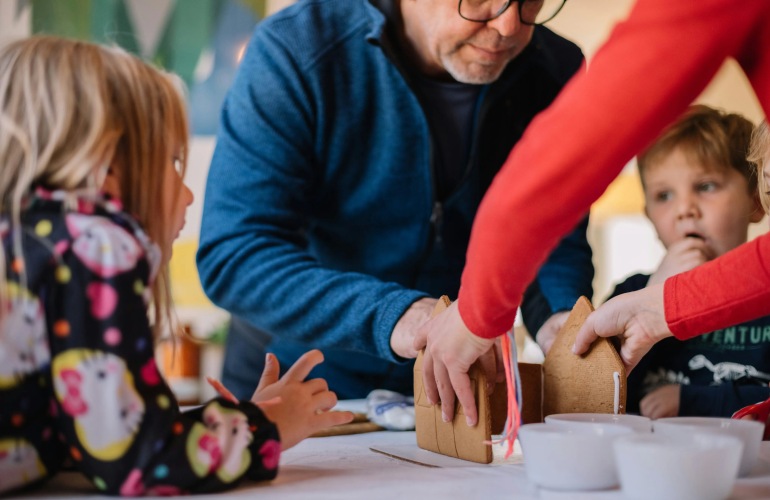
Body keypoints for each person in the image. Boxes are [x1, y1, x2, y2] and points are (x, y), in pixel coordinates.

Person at [0, 36, 352, 496]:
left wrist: (239, 422)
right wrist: (266, 427)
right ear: (103, 162)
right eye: (170, 161)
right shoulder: (94, 248)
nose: (187, 195)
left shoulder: (23, 242)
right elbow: (141, 461)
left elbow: (87, 436)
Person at [196, 0, 595, 401]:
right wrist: (399, 315)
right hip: (296, 388)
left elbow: (552, 234)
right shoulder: (295, 51)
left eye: (531, 1)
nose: (509, 26)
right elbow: (236, 255)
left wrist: (561, 315)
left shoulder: (556, 68)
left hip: (452, 395)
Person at [415, 0, 770, 427]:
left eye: (533, 2)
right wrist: (665, 301)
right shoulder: (636, 292)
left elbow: (560, 167)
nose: (509, 23)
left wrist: (478, 311)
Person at [604, 105, 769, 419]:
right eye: (664, 196)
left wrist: (692, 401)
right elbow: (597, 394)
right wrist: (655, 291)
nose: (684, 209)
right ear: (649, 217)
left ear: (756, 202)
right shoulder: (630, 294)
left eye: (705, 187)